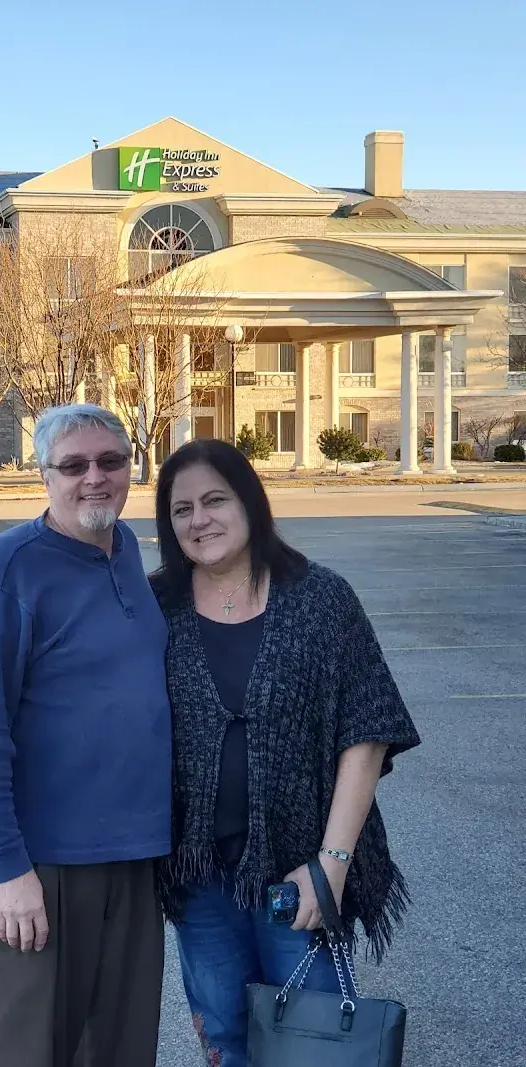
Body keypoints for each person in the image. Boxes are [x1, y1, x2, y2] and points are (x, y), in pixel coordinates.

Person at [151, 438, 421, 1067]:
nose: (200, 520)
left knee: (313, 1038)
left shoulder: (320, 599)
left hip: (301, 869)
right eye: (182, 509)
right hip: (199, 874)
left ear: (251, 501)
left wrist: (332, 862)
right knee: (224, 1033)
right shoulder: (155, 607)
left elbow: (366, 731)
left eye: (215, 500)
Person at [0, 404, 172, 1067]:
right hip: (38, 868)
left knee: (123, 1053)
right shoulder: (4, 574)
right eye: (73, 465)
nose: (94, 478)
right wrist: (8, 870)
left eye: (110, 461)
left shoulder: (124, 550)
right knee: (29, 1053)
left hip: (131, 862)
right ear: (44, 474)